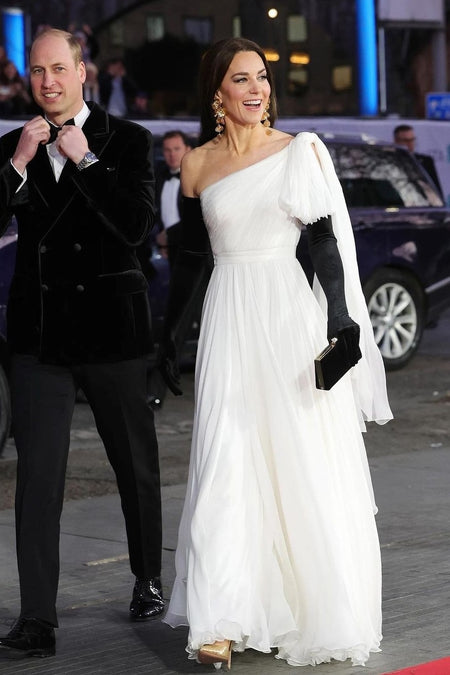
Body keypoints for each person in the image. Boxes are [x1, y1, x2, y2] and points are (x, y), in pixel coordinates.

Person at [158, 37, 392, 669]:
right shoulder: (197, 167)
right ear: (218, 92)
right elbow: (192, 263)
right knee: (226, 457)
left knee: (295, 459)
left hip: (286, 315)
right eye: (242, 79)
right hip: (228, 320)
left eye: (262, 77)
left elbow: (323, 244)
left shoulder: (298, 153)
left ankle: (310, 605)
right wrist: (169, 336)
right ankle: (222, 617)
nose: (257, 89)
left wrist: (341, 316)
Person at [0, 28, 164, 660]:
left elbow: (133, 227)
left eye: (59, 69)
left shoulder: (128, 140)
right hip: (41, 336)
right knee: (38, 478)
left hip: (111, 329)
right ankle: (37, 617)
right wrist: (17, 162)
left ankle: (148, 576)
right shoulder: (17, 145)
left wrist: (85, 160)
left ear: (83, 72)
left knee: (134, 462)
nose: (48, 81)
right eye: (38, 71)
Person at [155, 130, 192, 268]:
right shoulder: (159, 177)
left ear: (188, 149)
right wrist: (162, 241)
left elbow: (194, 218)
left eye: (177, 149)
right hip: (168, 247)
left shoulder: (196, 178)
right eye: (167, 150)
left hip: (192, 248)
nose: (172, 154)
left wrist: (168, 235)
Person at [393, 123, 443, 198]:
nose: (410, 144)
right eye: (406, 140)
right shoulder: (389, 161)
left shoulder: (425, 161)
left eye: (412, 140)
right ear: (396, 141)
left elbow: (436, 190)